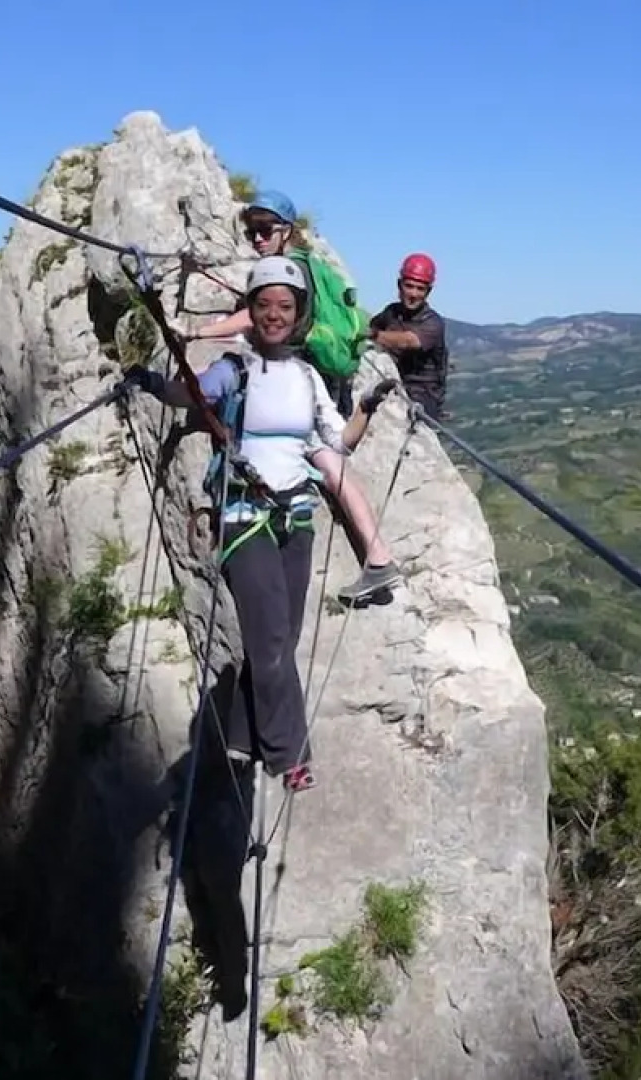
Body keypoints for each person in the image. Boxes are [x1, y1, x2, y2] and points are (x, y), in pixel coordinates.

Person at [135, 256, 399, 793]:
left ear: (299, 313)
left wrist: (366, 409)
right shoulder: (235, 370)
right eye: (264, 305)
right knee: (272, 642)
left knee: (280, 640)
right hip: (245, 515)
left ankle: (241, 736)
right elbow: (193, 393)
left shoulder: (306, 378)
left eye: (285, 306)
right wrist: (152, 383)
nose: (275, 315)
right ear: (250, 312)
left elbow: (337, 443)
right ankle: (288, 754)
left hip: (295, 517)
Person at [182, 190, 396, 603]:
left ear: (287, 231)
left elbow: (253, 318)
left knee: (332, 467)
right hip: (319, 377)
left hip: (301, 382)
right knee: (336, 469)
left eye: (265, 230)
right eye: (252, 232)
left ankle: (378, 556)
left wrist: (198, 332)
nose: (257, 239)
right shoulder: (313, 264)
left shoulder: (290, 269)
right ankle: (378, 557)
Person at [368, 253, 450, 421]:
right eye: (409, 286)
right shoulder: (391, 312)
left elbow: (410, 341)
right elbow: (370, 324)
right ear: (399, 285)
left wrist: (373, 335)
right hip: (393, 384)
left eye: (420, 289)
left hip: (423, 395)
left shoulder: (433, 323)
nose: (413, 294)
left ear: (428, 291)